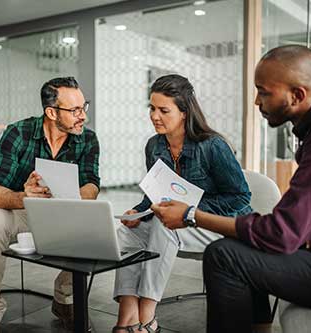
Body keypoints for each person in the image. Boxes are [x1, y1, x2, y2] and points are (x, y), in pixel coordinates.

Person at [151, 45, 311, 333]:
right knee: (243, 246)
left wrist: (191, 215)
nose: (257, 101)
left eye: (264, 92)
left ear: (297, 95)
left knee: (224, 256)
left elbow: (282, 234)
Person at [112, 74, 252, 333]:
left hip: (219, 225)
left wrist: (189, 212)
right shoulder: (154, 146)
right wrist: (140, 210)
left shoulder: (212, 146)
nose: (155, 116)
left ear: (185, 112)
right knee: (128, 230)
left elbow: (240, 197)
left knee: (165, 227)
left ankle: (147, 316)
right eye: (152, 108)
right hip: (180, 222)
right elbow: (155, 193)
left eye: (164, 110)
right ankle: (127, 315)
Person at [0, 77, 100, 333]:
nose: (83, 117)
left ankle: (65, 299)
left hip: (63, 213)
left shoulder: (88, 139)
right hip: (22, 213)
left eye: (83, 107)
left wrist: (72, 197)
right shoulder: (18, 133)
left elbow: (92, 184)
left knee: (94, 223)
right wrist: (24, 196)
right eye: (74, 110)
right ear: (51, 112)